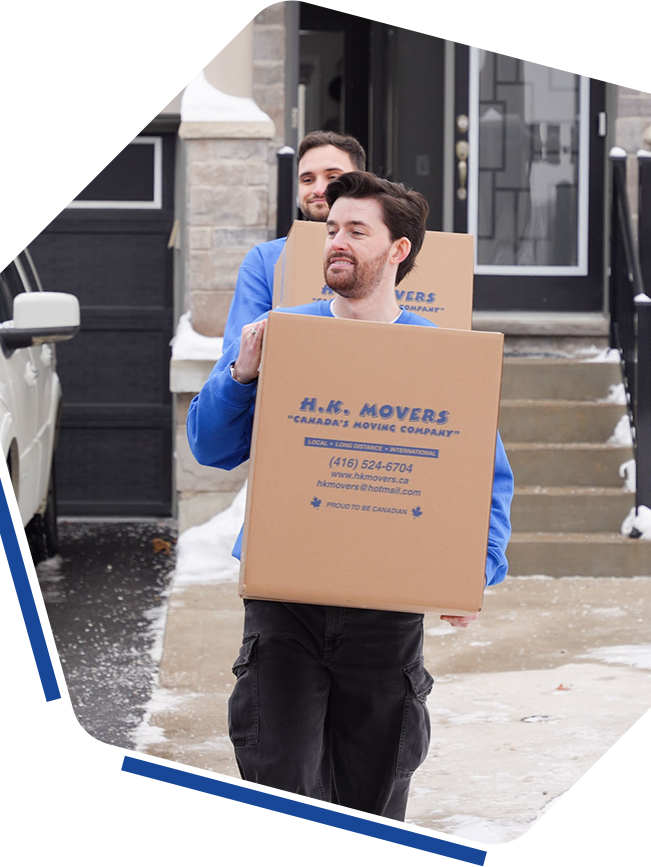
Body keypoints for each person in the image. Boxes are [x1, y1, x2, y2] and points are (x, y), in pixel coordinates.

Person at [187, 171, 514, 849]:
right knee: (282, 789)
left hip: (383, 611)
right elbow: (211, 448)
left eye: (355, 231)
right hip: (285, 601)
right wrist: (241, 374)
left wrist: (474, 568)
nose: (336, 242)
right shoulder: (284, 335)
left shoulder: (437, 352)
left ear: (397, 250)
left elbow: (485, 471)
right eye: (331, 229)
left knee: (369, 800)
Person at [221, 130, 367, 349]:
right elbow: (236, 352)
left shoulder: (391, 253)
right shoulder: (266, 260)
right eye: (307, 179)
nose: (319, 189)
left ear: (363, 183)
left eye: (333, 177)